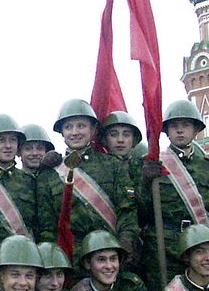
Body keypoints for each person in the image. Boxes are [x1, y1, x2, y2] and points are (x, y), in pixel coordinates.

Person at [38, 100, 140, 262]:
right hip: (71, 256)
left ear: (93, 130)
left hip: (111, 253)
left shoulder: (113, 165)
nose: (75, 132)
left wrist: (126, 240)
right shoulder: (49, 174)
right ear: (62, 132)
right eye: (68, 127)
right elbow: (47, 225)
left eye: (81, 126)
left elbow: (127, 211)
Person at [140, 101, 209, 290]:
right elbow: (141, 211)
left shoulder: (207, 167)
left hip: (200, 244)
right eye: (174, 126)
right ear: (166, 131)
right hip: (164, 246)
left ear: (195, 130)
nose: (180, 131)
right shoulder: (152, 164)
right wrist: (144, 182)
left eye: (185, 125)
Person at [0, 115, 41, 272]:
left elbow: (40, 225)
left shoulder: (30, 181)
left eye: (13, 140)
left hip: (24, 258)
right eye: (1, 140)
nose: (8, 145)